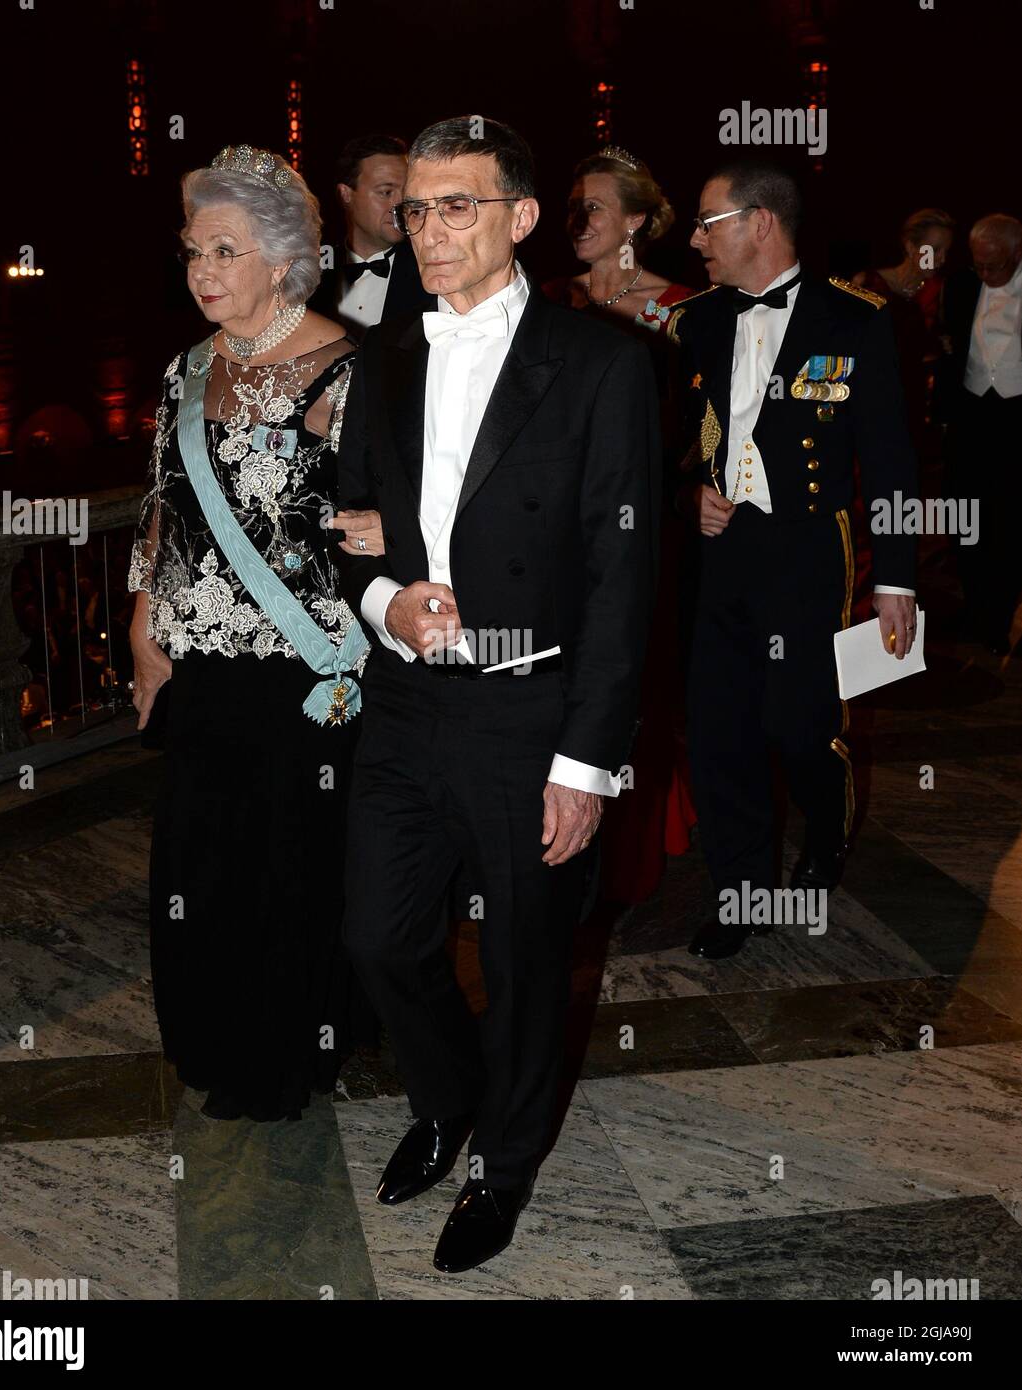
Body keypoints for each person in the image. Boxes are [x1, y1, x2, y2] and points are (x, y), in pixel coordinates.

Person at [334, 116, 659, 1272]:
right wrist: (388, 603)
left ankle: (500, 1163)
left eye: (456, 206)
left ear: (521, 218)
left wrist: (587, 761)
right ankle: (444, 1092)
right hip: (409, 701)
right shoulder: (384, 354)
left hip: (531, 710)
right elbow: (347, 526)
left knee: (525, 962)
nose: (427, 230)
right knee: (379, 937)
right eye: (415, 208)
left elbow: (626, 580)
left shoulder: (605, 364)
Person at [128, 144, 380, 1123]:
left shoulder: (343, 370)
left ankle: (283, 1055)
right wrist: (144, 631)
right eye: (193, 251)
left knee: (290, 868)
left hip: (305, 673)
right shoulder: (186, 370)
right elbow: (163, 513)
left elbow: (389, 521)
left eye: (224, 251)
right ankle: (212, 1037)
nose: (201, 271)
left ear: (282, 261)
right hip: (203, 670)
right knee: (199, 864)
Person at [673, 158, 919, 960]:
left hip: (812, 548)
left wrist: (895, 580)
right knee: (720, 729)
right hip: (720, 550)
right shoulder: (697, 321)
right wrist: (690, 495)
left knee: (801, 723)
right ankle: (738, 890)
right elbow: (675, 444)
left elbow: (888, 459)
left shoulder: (854, 320)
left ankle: (824, 835)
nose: (695, 239)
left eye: (708, 222)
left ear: (759, 224)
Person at [543, 145, 696, 903]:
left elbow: (714, 427)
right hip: (551, 536)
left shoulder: (683, 308)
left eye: (593, 207)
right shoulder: (544, 299)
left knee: (632, 677)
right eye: (571, 206)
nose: (577, 220)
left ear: (636, 219)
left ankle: (635, 857)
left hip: (647, 527)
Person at [937, 213, 1022, 655]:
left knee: (1011, 522)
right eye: (979, 264)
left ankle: (1004, 617)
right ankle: (976, 612)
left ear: (1017, 253)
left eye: (995, 266)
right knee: (967, 516)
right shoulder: (962, 286)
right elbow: (949, 351)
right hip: (973, 417)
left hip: (1016, 417)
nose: (985, 274)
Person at [308, 133, 431, 340]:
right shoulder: (311, 275)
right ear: (346, 194)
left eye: (406, 192)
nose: (400, 206)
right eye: (386, 192)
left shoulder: (430, 272)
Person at [853, 208, 955, 451]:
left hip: (913, 404)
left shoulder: (942, 292)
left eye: (946, 251)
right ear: (911, 247)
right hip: (869, 403)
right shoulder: (867, 284)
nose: (942, 259)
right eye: (935, 250)